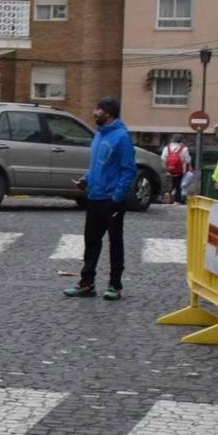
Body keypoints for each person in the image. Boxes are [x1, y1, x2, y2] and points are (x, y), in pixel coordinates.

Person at [63, 97, 137, 301]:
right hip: (94, 196)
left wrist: (118, 196)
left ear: (109, 113)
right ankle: (87, 284)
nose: (94, 112)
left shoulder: (121, 137)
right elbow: (97, 166)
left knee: (115, 242)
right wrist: (85, 180)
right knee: (91, 241)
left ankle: (115, 285)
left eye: (98, 109)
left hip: (111, 199)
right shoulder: (98, 136)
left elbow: (128, 170)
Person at [162, 138, 187, 205]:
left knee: (168, 184)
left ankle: (167, 196)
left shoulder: (166, 148)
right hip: (179, 171)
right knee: (178, 185)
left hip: (168, 170)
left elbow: (163, 159)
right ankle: (177, 200)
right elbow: (187, 160)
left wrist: (166, 169)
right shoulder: (184, 149)